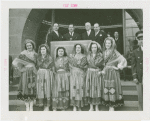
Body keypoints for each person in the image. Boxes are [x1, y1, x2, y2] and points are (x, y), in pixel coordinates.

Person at [102, 37, 127, 111]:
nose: (107, 44)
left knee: (113, 86)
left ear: (112, 44)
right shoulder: (104, 52)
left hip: (113, 72)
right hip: (106, 72)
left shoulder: (115, 52)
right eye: (106, 43)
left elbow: (122, 59)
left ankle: (112, 105)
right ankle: (108, 102)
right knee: (107, 87)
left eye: (109, 43)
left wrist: (118, 67)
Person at [12, 39, 37, 111]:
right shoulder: (23, 54)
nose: (29, 47)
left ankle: (31, 106)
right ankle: (27, 106)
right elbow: (15, 62)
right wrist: (20, 69)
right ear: (26, 47)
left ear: (33, 46)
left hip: (33, 72)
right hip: (25, 73)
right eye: (27, 46)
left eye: (30, 45)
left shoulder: (35, 54)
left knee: (32, 88)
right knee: (26, 88)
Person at [69, 44, 88, 111]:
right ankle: (74, 106)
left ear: (81, 49)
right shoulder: (72, 56)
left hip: (81, 74)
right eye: (76, 48)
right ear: (75, 49)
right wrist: (74, 67)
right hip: (73, 74)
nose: (78, 49)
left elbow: (83, 65)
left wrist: (78, 66)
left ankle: (79, 106)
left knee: (80, 89)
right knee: (73, 88)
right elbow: (70, 65)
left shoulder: (84, 56)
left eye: (79, 48)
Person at [85, 41, 104, 111]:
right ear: (90, 48)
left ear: (97, 48)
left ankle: (97, 106)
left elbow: (103, 65)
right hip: (89, 73)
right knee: (90, 89)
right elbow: (85, 64)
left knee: (97, 89)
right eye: (92, 47)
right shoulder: (88, 55)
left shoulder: (101, 55)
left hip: (97, 73)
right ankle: (91, 106)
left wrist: (101, 71)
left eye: (95, 47)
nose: (94, 49)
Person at [36, 44, 54, 111]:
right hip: (40, 73)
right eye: (41, 49)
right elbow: (37, 66)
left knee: (47, 88)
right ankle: (42, 104)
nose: (42, 51)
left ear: (46, 50)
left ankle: (47, 106)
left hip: (47, 73)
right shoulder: (38, 58)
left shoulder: (49, 57)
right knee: (41, 88)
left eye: (44, 49)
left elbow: (48, 66)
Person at [52, 47, 70, 111]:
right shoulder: (55, 59)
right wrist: (54, 73)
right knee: (57, 91)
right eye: (59, 51)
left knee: (64, 90)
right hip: (57, 76)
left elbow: (69, 67)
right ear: (57, 52)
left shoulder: (67, 59)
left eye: (62, 51)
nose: (60, 52)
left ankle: (63, 107)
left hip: (65, 76)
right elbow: (53, 68)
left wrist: (67, 74)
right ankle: (55, 107)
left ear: (64, 52)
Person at [131, 30, 143, 111]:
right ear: (137, 40)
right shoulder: (135, 51)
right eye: (139, 38)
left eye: (143, 38)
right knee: (141, 97)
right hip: (140, 77)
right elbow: (133, 65)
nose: (141, 40)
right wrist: (134, 76)